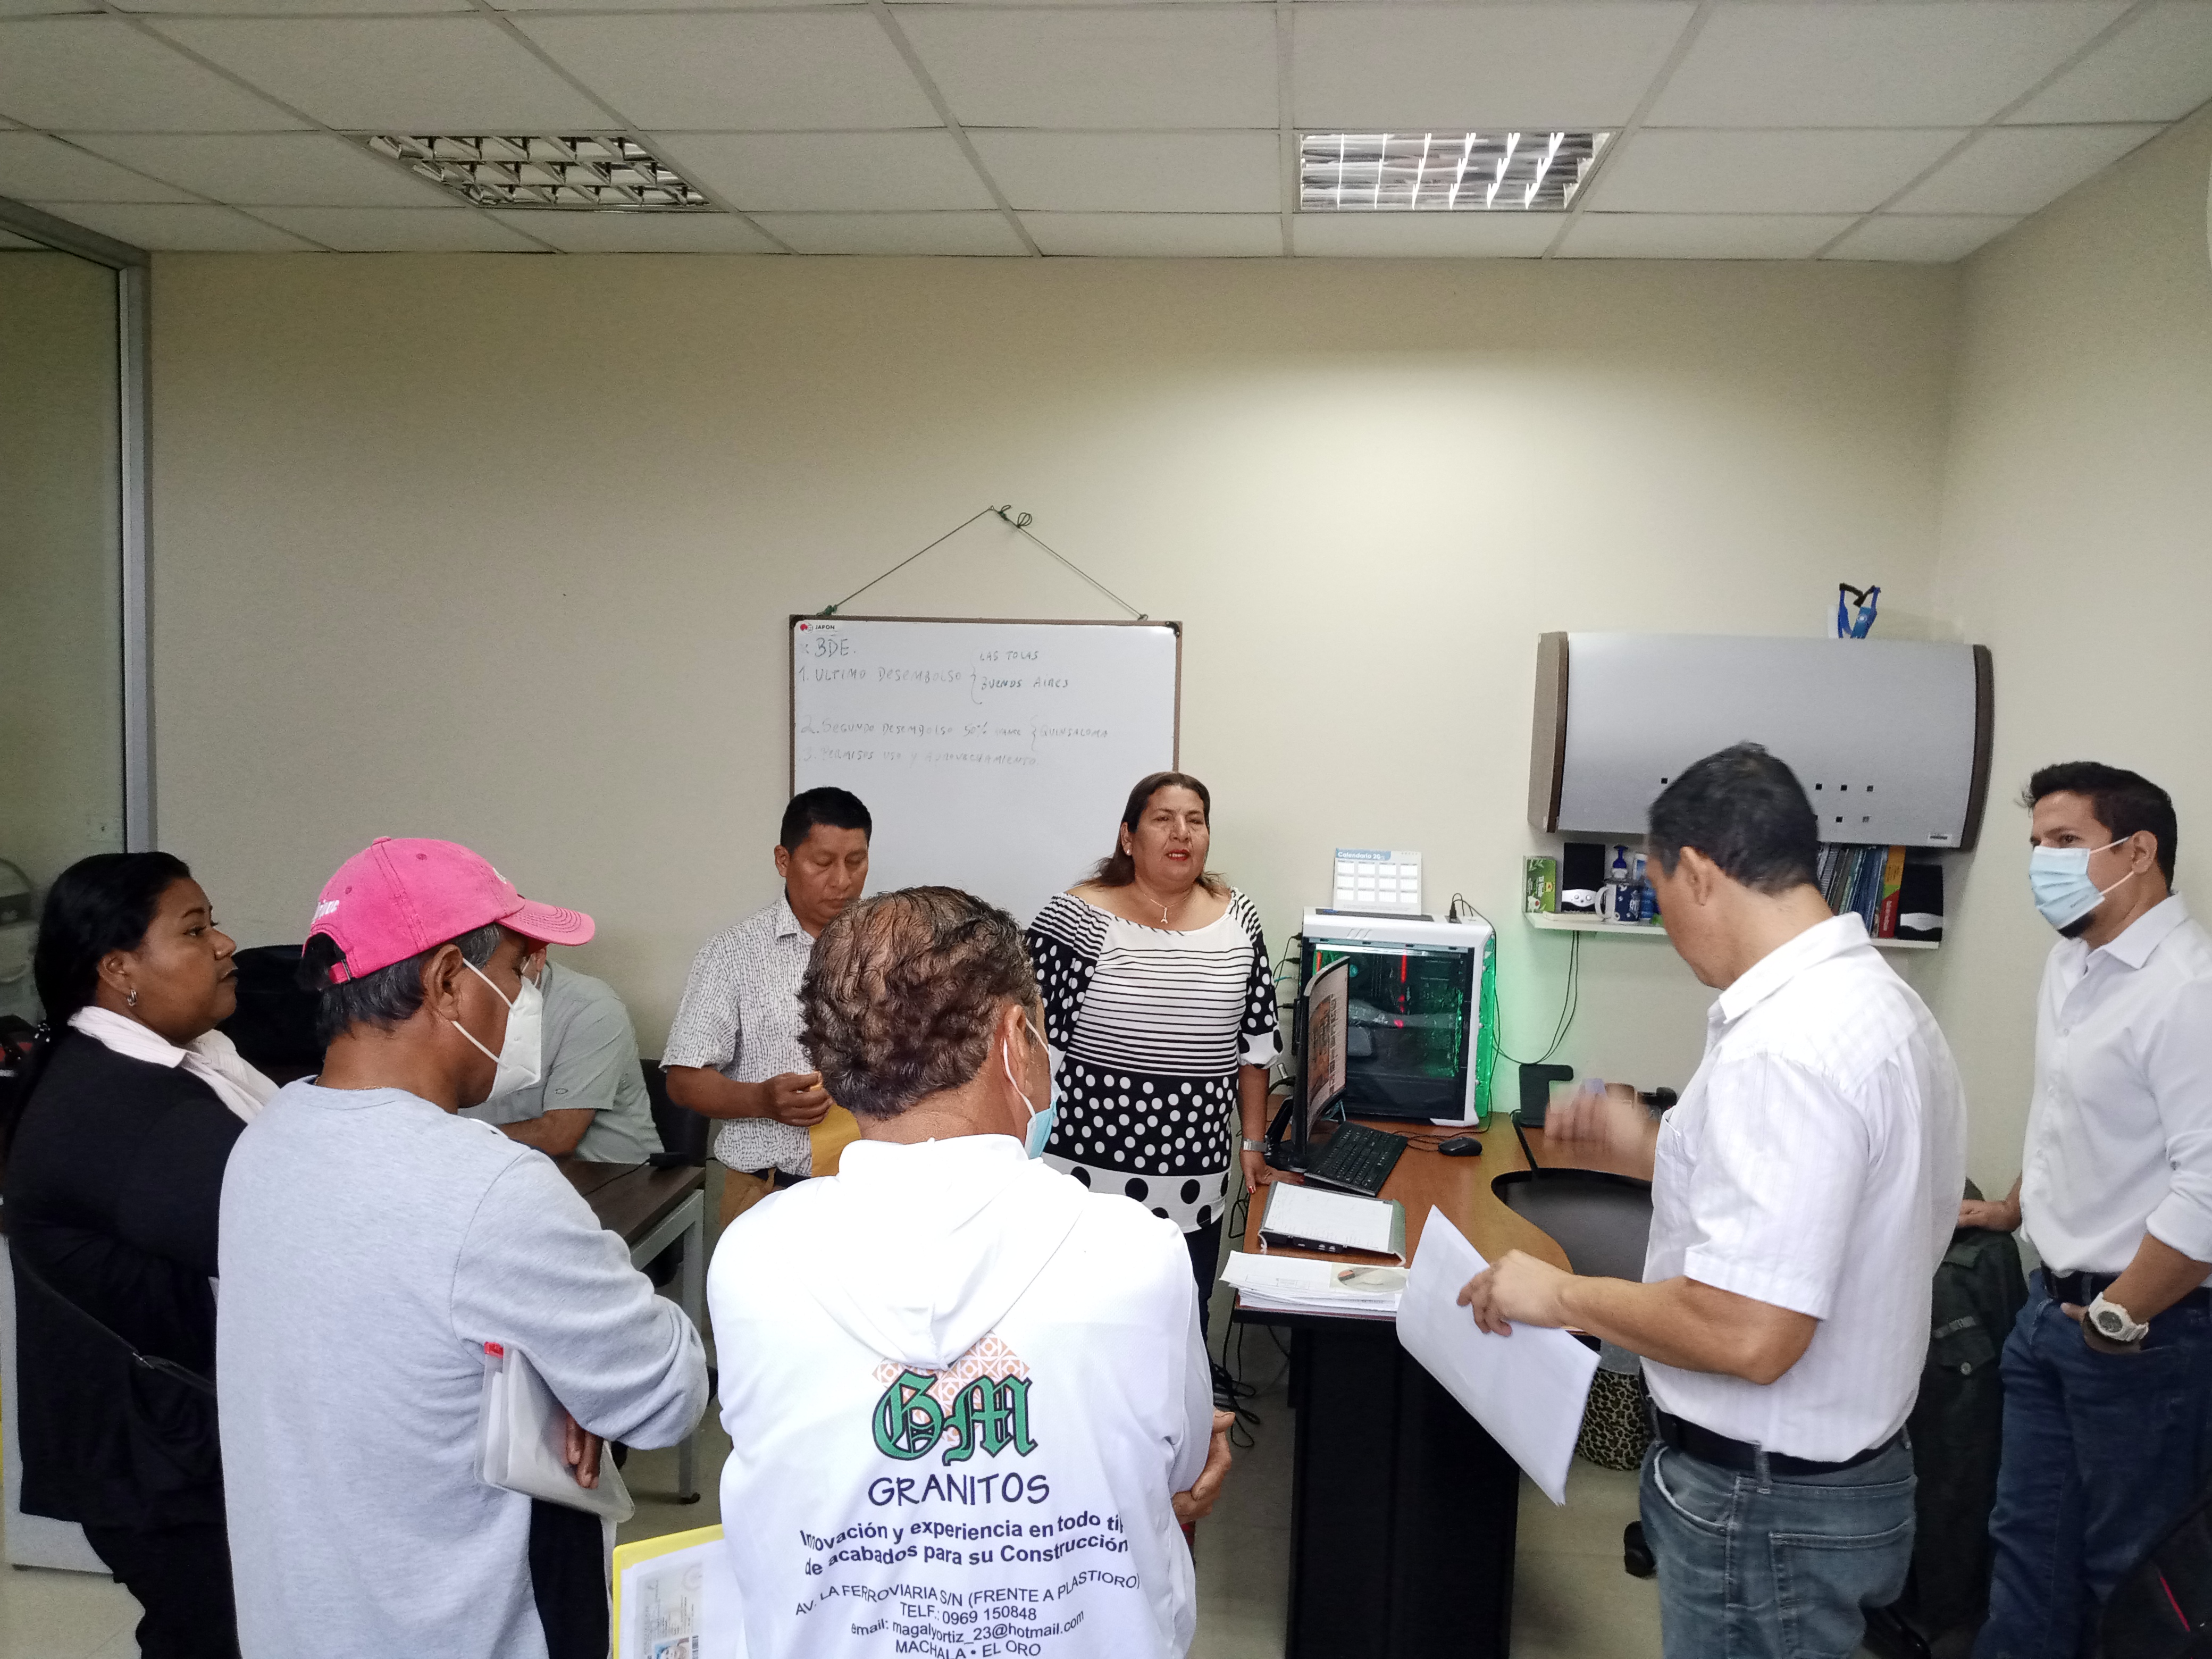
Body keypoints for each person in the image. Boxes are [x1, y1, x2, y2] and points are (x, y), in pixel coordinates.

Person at [1459, 744, 1966, 1659]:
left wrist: (1560, 1296)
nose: (1666, 926)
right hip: (1846, 1482)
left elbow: (1747, 1334)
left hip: (1764, 1507)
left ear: (1697, 873)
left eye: (1659, 895)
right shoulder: (1883, 1006)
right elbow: (1824, 1210)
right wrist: (1656, 1147)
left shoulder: (1784, 1049)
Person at [707, 886, 1233, 1657]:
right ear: (1016, 1039)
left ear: (833, 1060)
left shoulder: (755, 1257)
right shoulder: (1136, 1253)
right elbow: (1181, 1471)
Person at [217, 837, 707, 1659]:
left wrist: (556, 1367)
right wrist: (572, 1376)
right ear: (447, 981)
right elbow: (666, 1395)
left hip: (301, 1621)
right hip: (461, 1631)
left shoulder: (264, 1142)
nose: (522, 1001)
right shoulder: (490, 1188)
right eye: (515, 974)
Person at [1963, 764, 2212, 1658]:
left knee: (2130, 1576)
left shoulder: (2188, 988)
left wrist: (2121, 1315)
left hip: (2145, 1334)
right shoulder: (2073, 962)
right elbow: (2072, 1114)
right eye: (2037, 844)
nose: (2043, 862)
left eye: (2066, 842)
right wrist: (2014, 1208)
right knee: (2025, 1551)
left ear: (2138, 852)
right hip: (2050, 1313)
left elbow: (2207, 1187)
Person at [3, 852, 272, 1659]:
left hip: (173, 1437)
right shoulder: (121, 1103)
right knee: (219, 1634)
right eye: (193, 931)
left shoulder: (188, 1061)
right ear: (119, 969)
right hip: (159, 1459)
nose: (224, 944)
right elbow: (293, 1238)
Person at [1025, 772, 1281, 1335]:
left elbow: (1256, 1044)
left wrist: (1253, 1142)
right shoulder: (1076, 918)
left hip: (1193, 1175)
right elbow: (1027, 1046)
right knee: (1080, 1327)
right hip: (1082, 1175)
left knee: (1179, 1326)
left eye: (1195, 820)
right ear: (1128, 837)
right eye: (1163, 819)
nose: (1181, 832)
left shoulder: (1238, 918)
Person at [664, 787, 872, 1221]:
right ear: (783, 860)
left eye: (856, 861)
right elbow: (684, 1081)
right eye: (823, 863)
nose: (842, 880)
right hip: (768, 1189)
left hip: (875, 1191)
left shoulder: (892, 950)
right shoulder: (732, 954)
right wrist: (760, 1099)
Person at [461, 945, 663, 1163]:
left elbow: (559, 1137)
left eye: (501, 970)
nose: (488, 984)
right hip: (486, 1165)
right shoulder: (449, 1001)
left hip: (610, 1173)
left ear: (538, 956)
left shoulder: (591, 1007)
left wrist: (454, 1141)